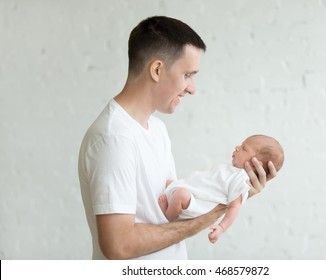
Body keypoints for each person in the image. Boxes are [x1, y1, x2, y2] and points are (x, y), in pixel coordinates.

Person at [78, 16, 277, 260]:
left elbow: (169, 214)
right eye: (188, 75)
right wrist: (211, 216)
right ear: (157, 70)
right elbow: (119, 245)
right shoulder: (114, 138)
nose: (193, 88)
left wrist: (233, 192)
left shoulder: (157, 129)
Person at [158, 134, 284, 244]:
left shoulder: (241, 180)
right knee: (170, 183)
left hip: (198, 203)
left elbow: (234, 207)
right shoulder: (232, 171)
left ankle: (167, 217)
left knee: (180, 195)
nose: (237, 147)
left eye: (244, 148)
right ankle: (172, 201)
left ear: (256, 163)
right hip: (192, 191)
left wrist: (221, 228)